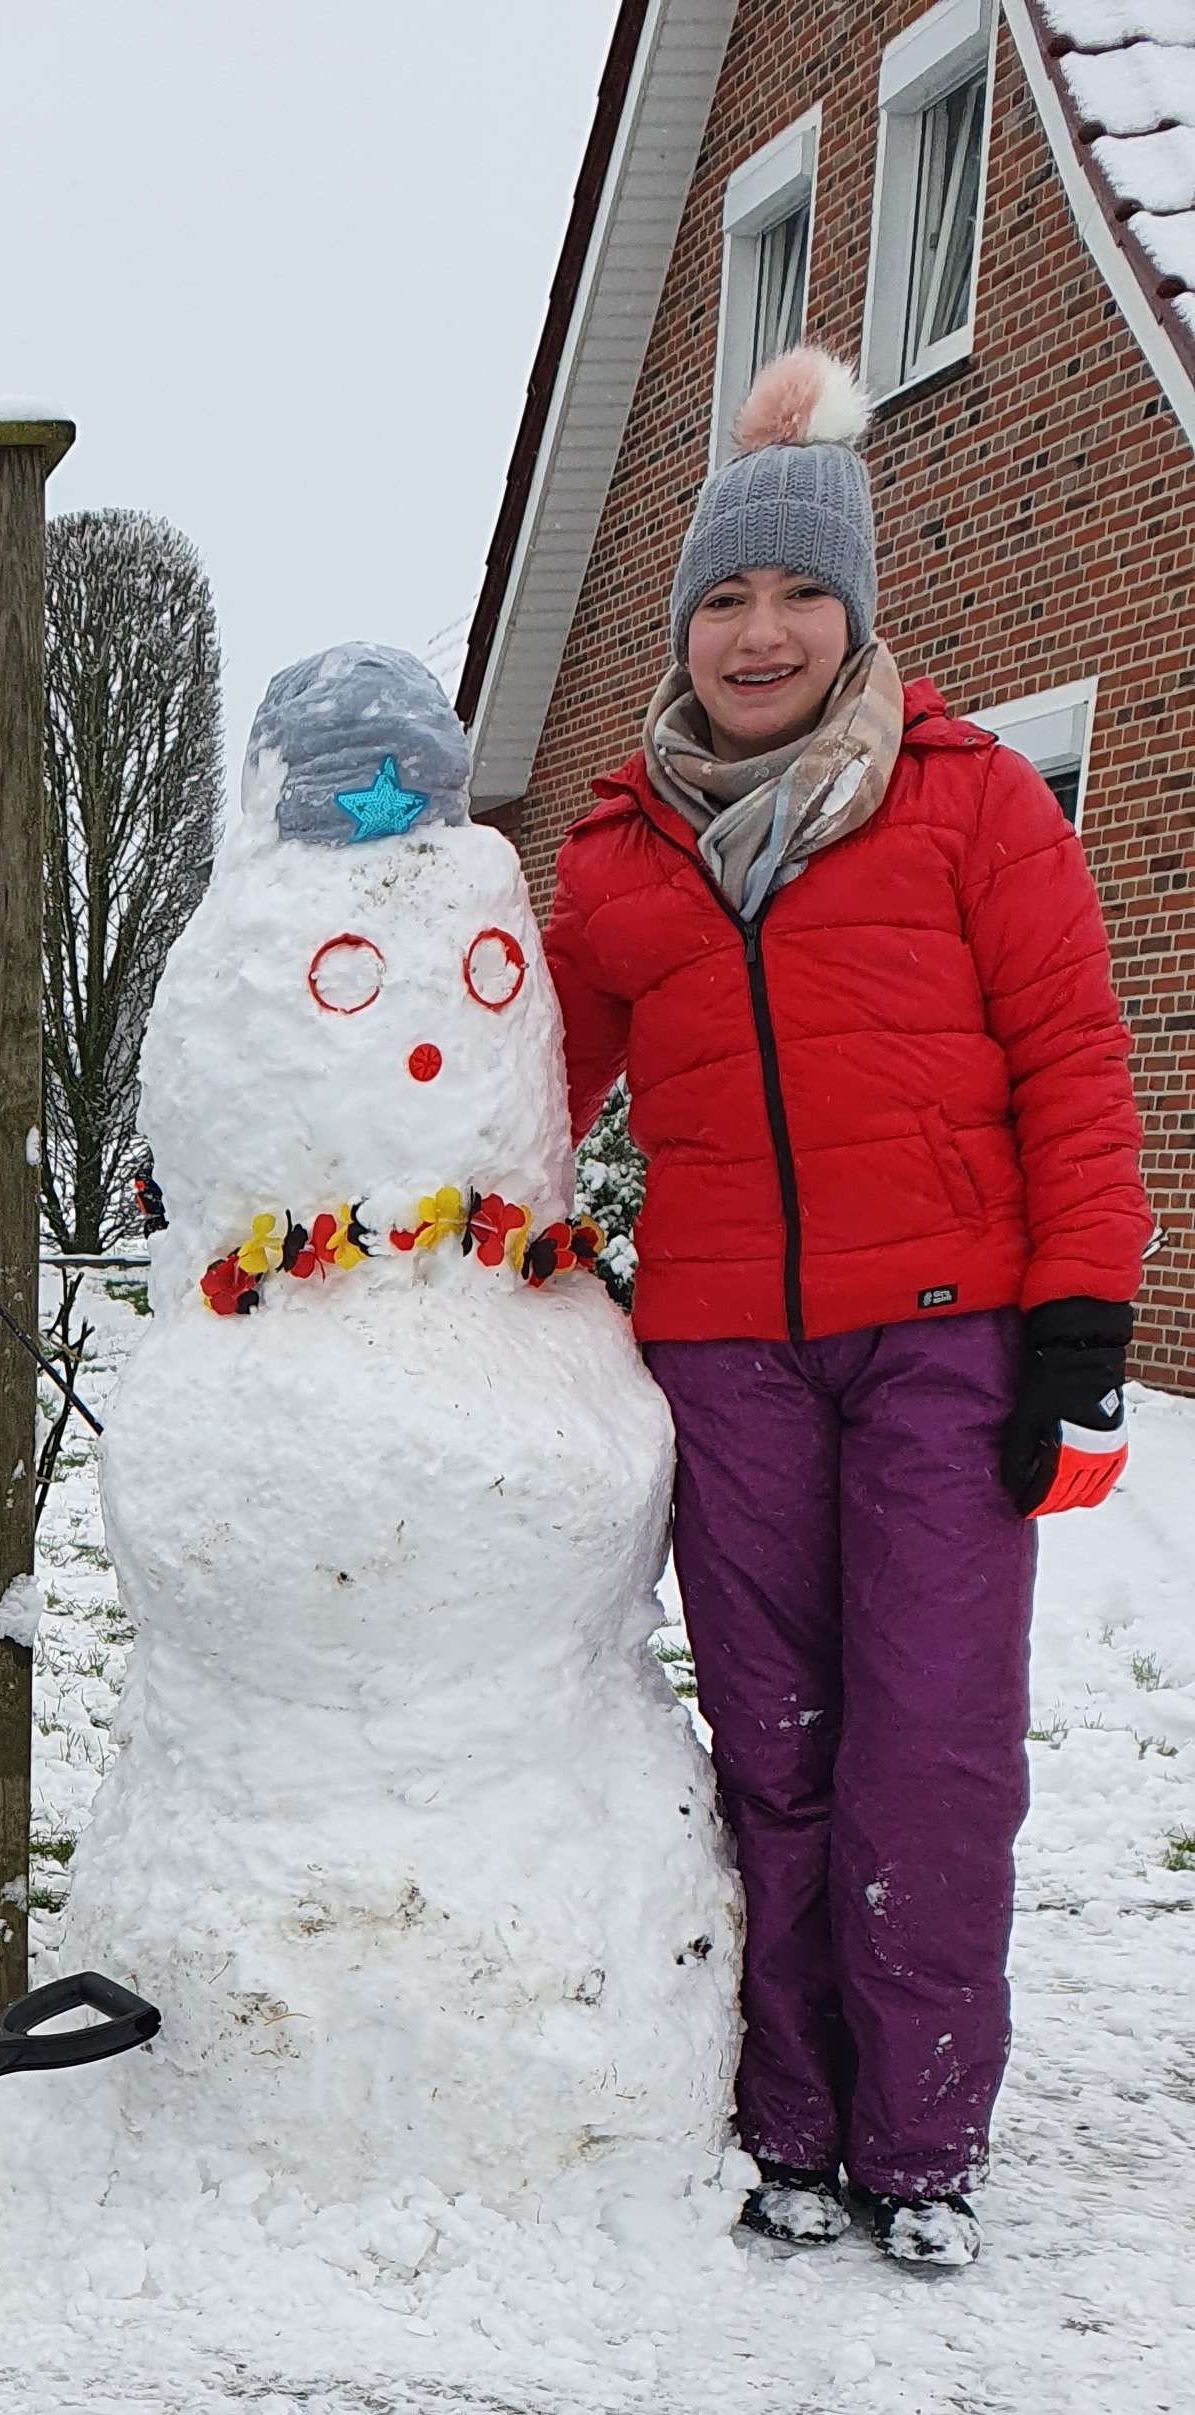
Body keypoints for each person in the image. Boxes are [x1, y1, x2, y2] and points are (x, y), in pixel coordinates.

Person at [545, 347, 1147, 2271]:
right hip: (721, 1350)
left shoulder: (970, 805)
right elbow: (524, 1085)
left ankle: (922, 2136)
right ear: (679, 625)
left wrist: (1076, 1323)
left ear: (854, 611)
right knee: (773, 1741)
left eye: (796, 592)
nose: (757, 630)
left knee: (933, 1749)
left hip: (943, 1342)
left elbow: (1068, 1059)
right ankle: (789, 2121)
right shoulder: (618, 848)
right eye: (721, 597)